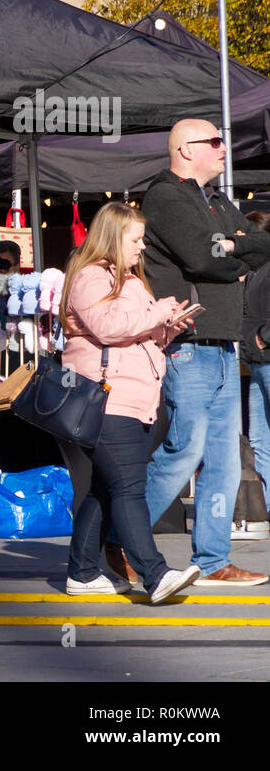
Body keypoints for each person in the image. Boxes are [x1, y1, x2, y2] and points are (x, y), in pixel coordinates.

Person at [130, 118, 270, 587]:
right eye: (214, 141)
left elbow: (263, 241)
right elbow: (201, 258)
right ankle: (122, 539)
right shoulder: (166, 196)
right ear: (186, 150)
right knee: (184, 450)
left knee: (225, 461)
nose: (223, 148)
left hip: (224, 346)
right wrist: (234, 252)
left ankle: (212, 561)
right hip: (189, 344)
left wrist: (232, 243)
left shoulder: (214, 199)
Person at [60, 202, 202, 603]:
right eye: (135, 240)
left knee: (105, 489)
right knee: (128, 489)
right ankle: (154, 574)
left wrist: (168, 328)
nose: (142, 248)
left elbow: (138, 339)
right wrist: (158, 312)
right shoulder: (90, 276)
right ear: (112, 237)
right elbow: (107, 328)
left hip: (134, 398)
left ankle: (83, 573)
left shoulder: (130, 281)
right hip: (109, 397)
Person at [242, 210, 270, 504]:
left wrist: (266, 335)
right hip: (257, 362)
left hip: (265, 357)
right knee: (260, 438)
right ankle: (267, 504)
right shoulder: (254, 272)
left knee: (263, 437)